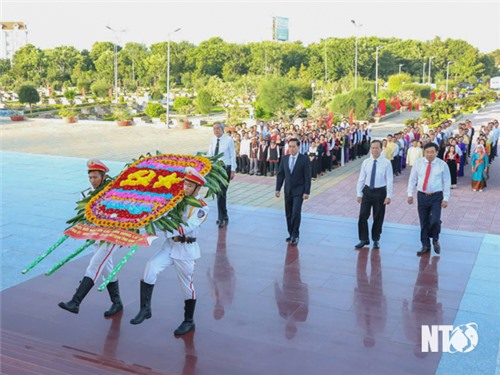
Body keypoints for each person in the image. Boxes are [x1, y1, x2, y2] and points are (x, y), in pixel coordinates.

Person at [130, 167, 209, 336]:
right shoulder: (177, 200)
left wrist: (160, 230)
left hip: (186, 250)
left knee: (187, 287)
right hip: (170, 246)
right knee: (151, 266)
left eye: (189, 186)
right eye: (185, 184)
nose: (185, 188)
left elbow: (187, 227)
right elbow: (162, 217)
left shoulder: (202, 208)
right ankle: (145, 309)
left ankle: (189, 321)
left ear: (198, 188)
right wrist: (146, 224)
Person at [58, 159, 123, 317]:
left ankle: (75, 302)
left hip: (112, 236)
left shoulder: (113, 192)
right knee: (107, 270)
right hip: (97, 236)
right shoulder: (87, 194)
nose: (93, 181)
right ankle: (117, 302)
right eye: (90, 178)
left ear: (103, 176)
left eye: (95, 177)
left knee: (94, 265)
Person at [407, 143, 451, 256]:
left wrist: (446, 198)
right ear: (424, 152)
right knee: (424, 222)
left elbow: (446, 182)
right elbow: (412, 179)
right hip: (422, 196)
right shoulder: (418, 163)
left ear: (437, 152)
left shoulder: (442, 165)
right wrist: (410, 194)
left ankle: (435, 238)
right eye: (427, 152)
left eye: (432, 152)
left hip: (436, 196)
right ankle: (425, 245)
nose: (429, 154)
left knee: (435, 220)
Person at [355, 140, 393, 249]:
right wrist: (359, 193)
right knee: (363, 216)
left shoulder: (386, 163)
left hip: (380, 192)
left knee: (378, 217)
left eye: (377, 148)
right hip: (367, 191)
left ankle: (376, 239)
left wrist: (388, 196)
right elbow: (361, 179)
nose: (374, 150)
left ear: (381, 149)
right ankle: (363, 239)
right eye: (372, 148)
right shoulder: (366, 162)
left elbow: (389, 180)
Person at [275, 138, 312, 246]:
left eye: (293, 147)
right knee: (288, 213)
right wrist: (278, 189)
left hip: (299, 191)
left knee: (296, 212)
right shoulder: (285, 158)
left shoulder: (304, 159)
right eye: (289, 146)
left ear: (298, 147)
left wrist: (306, 192)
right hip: (288, 190)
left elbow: (307, 177)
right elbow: (280, 174)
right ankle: (291, 233)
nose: (291, 149)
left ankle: (295, 235)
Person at [207, 122, 236, 228]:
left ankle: (221, 218)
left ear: (222, 129)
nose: (216, 130)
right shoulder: (212, 140)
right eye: (214, 128)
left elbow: (233, 155)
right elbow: (210, 153)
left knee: (221, 192)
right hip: (215, 169)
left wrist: (233, 169)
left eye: (218, 128)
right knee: (219, 193)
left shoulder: (228, 140)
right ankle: (224, 213)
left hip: (225, 169)